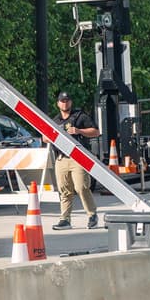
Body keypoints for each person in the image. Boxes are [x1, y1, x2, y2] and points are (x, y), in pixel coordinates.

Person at [51, 91, 100, 230]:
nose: (65, 103)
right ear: (58, 103)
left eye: (67, 100)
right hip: (61, 158)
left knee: (81, 188)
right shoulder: (55, 121)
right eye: (62, 101)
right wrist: (50, 136)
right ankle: (65, 220)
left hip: (78, 158)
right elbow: (44, 137)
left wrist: (79, 131)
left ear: (71, 102)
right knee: (64, 190)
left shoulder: (80, 116)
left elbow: (96, 132)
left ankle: (92, 215)